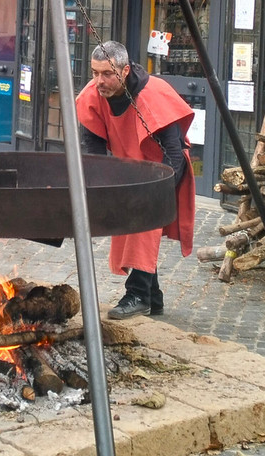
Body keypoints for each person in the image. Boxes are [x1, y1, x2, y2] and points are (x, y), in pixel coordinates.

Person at [76, 40, 196, 319]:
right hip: (127, 169)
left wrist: (159, 192)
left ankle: (138, 294)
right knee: (126, 222)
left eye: (107, 74)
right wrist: (101, 188)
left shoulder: (154, 94)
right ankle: (153, 296)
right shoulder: (92, 96)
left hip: (163, 169)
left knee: (142, 222)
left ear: (126, 70)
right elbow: (93, 150)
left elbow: (174, 153)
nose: (99, 81)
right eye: (94, 73)